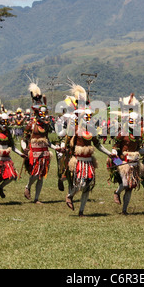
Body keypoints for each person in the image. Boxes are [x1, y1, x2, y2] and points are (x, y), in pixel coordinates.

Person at [63, 83, 112, 217]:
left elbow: (98, 145)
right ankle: (70, 195)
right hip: (79, 161)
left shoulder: (91, 130)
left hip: (89, 161)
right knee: (81, 182)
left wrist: (110, 153)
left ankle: (81, 211)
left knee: (87, 186)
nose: (88, 120)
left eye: (90, 117)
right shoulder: (75, 129)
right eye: (86, 117)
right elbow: (68, 144)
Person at [0, 95, 26, 205]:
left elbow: (12, 146)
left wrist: (20, 154)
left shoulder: (8, 133)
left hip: (7, 159)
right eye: (2, 122)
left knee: (12, 176)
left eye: (6, 122)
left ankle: (0, 188)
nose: (5, 124)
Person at [21, 82, 59, 204]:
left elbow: (47, 141)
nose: (44, 115)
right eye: (42, 113)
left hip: (44, 153)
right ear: (37, 113)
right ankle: (27, 186)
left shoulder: (46, 126)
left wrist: (55, 147)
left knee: (42, 176)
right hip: (34, 153)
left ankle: (37, 198)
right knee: (35, 174)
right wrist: (24, 149)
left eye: (45, 113)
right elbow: (23, 139)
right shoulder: (31, 125)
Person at [111, 94, 143, 215]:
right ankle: (116, 192)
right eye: (131, 121)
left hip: (134, 162)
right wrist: (114, 152)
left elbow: (139, 148)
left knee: (130, 187)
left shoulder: (138, 134)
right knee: (125, 183)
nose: (134, 123)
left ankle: (124, 210)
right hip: (122, 162)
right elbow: (115, 146)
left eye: (136, 121)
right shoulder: (123, 132)